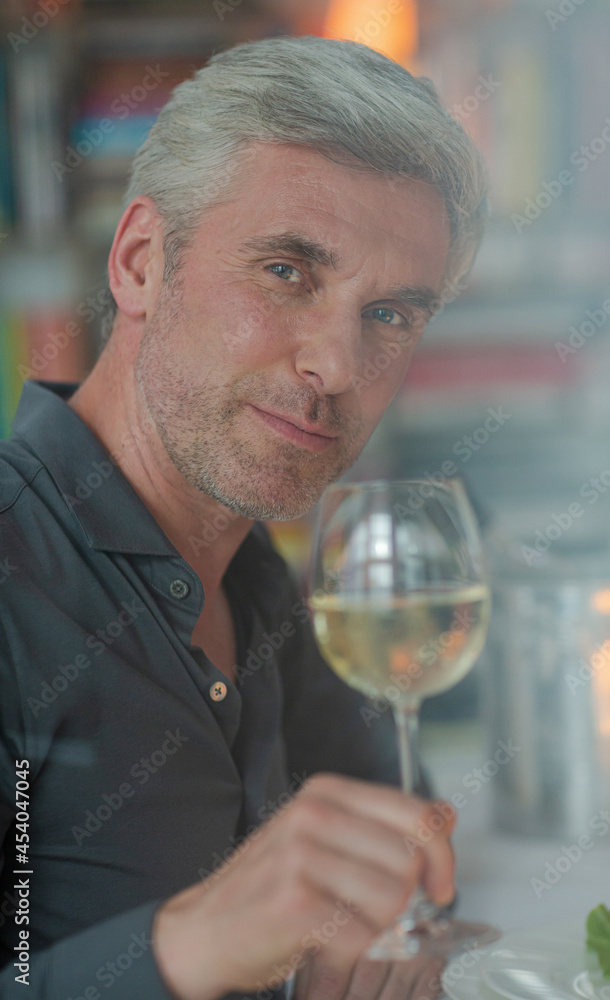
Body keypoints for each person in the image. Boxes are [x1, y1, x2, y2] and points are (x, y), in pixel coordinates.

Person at [0, 33, 487, 1000]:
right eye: (286, 273)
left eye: (389, 314)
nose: (337, 367)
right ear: (140, 261)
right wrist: (187, 947)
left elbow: (407, 847)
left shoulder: (261, 579)